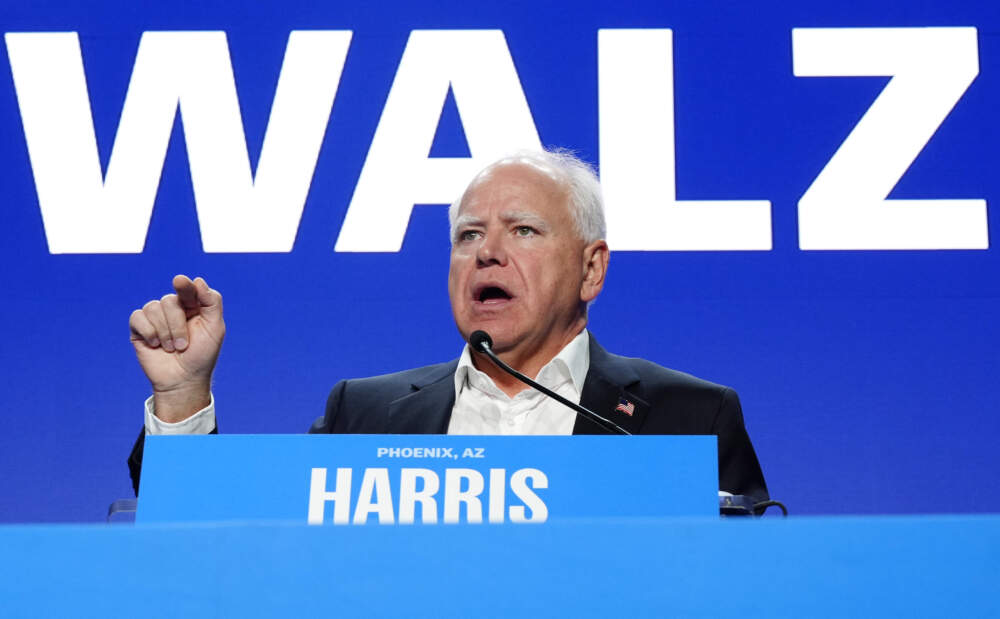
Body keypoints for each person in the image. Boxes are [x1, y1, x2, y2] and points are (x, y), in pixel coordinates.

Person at [127, 149, 768, 502]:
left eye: (522, 230)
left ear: (590, 270)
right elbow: (229, 541)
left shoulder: (688, 418)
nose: (488, 252)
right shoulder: (366, 415)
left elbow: (749, 591)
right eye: (468, 236)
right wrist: (182, 397)